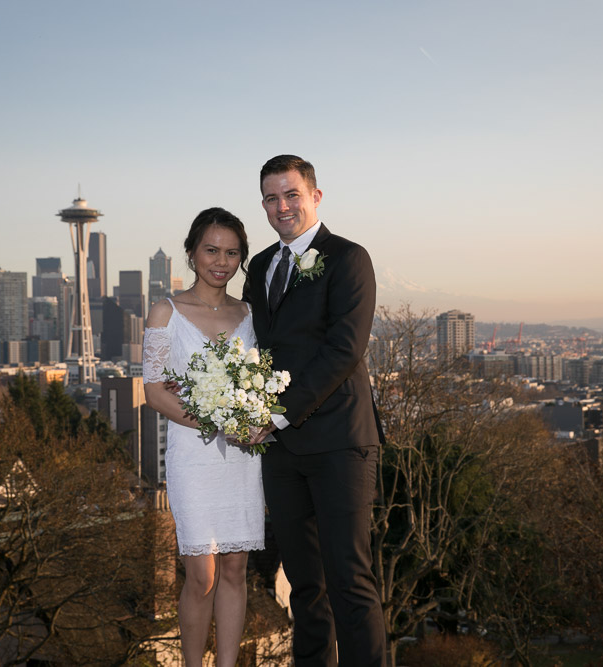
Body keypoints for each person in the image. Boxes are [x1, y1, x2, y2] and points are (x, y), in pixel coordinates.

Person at [241, 155, 386, 666]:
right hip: (280, 452)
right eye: (271, 198)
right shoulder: (258, 267)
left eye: (292, 194)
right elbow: (254, 351)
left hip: (339, 443)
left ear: (315, 197)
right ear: (262, 205)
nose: (282, 206)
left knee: (350, 581)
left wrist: (276, 414)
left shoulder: (349, 258)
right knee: (304, 587)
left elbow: (344, 350)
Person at [143, 207, 264, 667]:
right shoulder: (165, 311)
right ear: (192, 252)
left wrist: (252, 419)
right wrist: (219, 423)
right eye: (212, 250)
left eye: (232, 253)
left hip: (243, 457)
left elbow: (262, 380)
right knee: (203, 575)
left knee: (236, 570)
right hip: (194, 456)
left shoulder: (251, 314)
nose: (222, 261)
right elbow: (155, 393)